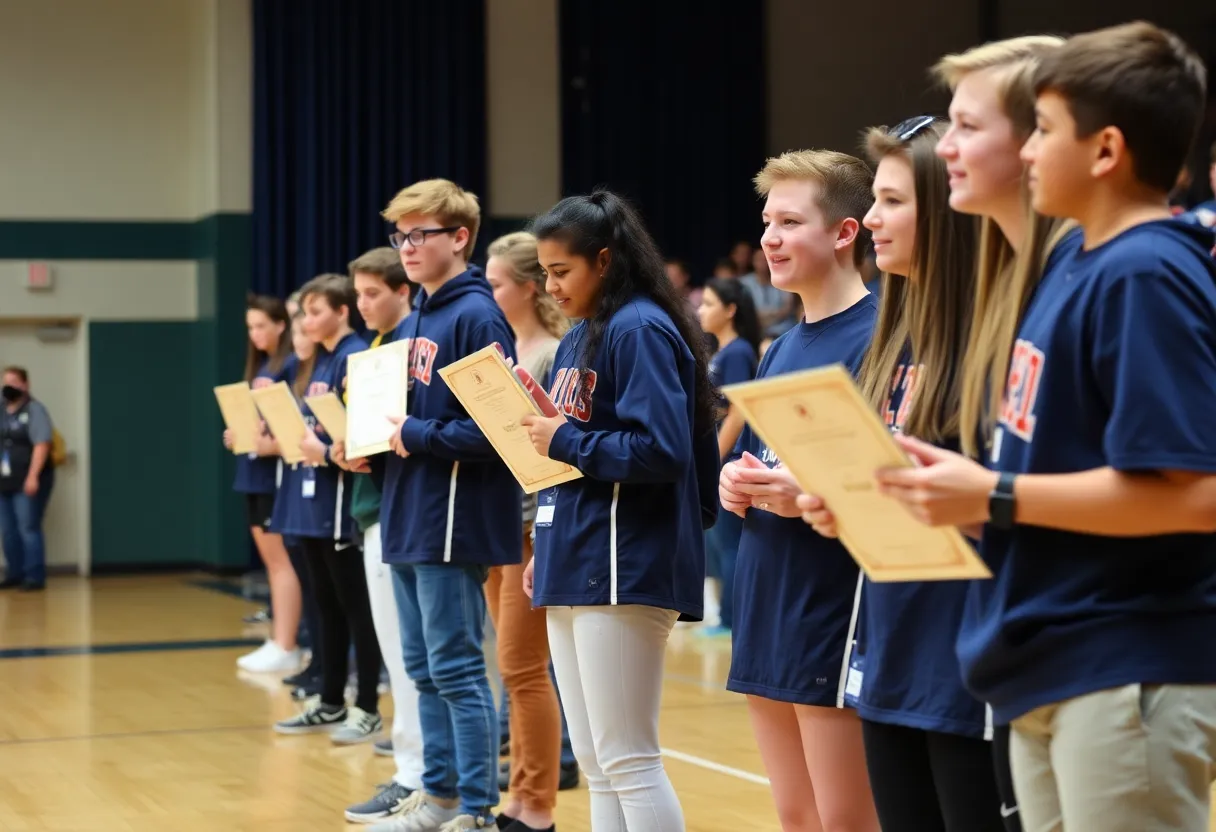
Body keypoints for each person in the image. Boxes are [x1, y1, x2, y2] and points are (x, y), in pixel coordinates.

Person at [873, 22, 1216, 832]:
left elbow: (1198, 495)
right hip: (1055, 663)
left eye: (1045, 132)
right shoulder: (1080, 267)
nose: (1028, 152)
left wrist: (991, 494)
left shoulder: (1145, 270)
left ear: (1104, 151)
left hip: (1123, 656)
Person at [800, 116, 1004, 831]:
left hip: (968, 657)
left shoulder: (998, 333)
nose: (871, 220)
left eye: (892, 202)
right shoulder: (895, 332)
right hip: (890, 648)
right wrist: (833, 504)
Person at [521, 190, 720, 832]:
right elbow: (574, 452)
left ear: (604, 260)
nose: (550, 286)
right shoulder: (582, 333)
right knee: (600, 763)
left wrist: (564, 437)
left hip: (623, 563)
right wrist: (545, 547)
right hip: (576, 555)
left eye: (561, 271)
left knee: (629, 760)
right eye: (543, 273)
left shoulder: (638, 327)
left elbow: (661, 451)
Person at [717, 150, 880, 832]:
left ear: (844, 233)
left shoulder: (880, 337)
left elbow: (880, 481)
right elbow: (768, 458)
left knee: (846, 820)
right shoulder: (780, 347)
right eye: (766, 222)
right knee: (795, 816)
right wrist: (739, 480)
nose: (770, 240)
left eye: (789, 221)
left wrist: (805, 490)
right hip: (766, 592)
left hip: (830, 602)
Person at [368, 179, 521, 832]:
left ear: (460, 238)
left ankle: (478, 810)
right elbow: (402, 420)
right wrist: (372, 440)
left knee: (457, 669)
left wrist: (414, 435)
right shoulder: (416, 319)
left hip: (453, 516)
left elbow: (500, 427)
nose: (405, 247)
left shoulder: (477, 315)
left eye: (419, 234)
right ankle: (439, 799)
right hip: (409, 510)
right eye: (398, 235)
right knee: (423, 669)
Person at [333, 248, 426, 823]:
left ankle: (418, 774)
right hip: (376, 510)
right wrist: (348, 445)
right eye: (359, 295)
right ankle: (415, 769)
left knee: (417, 658)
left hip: (406, 516)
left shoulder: (407, 349)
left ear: (401, 291)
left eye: (372, 294)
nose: (362, 304)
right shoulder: (372, 353)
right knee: (402, 653)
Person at [272, 274, 383, 745]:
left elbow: (361, 432)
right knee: (326, 604)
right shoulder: (318, 362)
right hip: (316, 499)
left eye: (317, 312)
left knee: (356, 607)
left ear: (342, 312)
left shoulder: (356, 356)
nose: (307, 321)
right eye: (304, 313)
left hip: (343, 503)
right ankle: (331, 699)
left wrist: (327, 447)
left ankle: (369, 707)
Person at [483, 231, 567, 832]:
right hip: (496, 519)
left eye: (496, 284)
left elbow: (550, 449)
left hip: (531, 522)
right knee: (511, 666)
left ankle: (536, 805)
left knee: (522, 666)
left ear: (528, 288)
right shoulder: (503, 346)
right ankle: (516, 799)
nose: (488, 294)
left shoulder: (552, 352)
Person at [225, 295, 303, 673]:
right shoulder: (259, 366)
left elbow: (292, 430)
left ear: (280, 325)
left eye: (261, 325)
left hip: (276, 476)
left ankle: (286, 642)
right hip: (253, 473)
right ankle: (277, 638)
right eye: (250, 327)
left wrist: (270, 444)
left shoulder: (289, 366)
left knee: (281, 561)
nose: (255, 334)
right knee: (272, 563)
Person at [695, 277, 760, 638]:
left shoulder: (738, 353)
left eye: (708, 303)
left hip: (726, 460)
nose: (701, 310)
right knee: (719, 544)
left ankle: (732, 620)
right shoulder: (723, 351)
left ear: (730, 310)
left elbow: (739, 409)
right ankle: (725, 616)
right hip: (715, 457)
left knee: (729, 541)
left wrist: (714, 457)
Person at [0, 367, 55, 591]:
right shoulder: (2, 410)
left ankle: (34, 576)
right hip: (5, 479)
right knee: (7, 530)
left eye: (13, 381)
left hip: (28, 478)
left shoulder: (35, 410)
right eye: (5, 382)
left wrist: (32, 476)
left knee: (28, 527)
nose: (8, 386)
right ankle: (15, 572)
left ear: (25, 385)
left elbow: (42, 445)